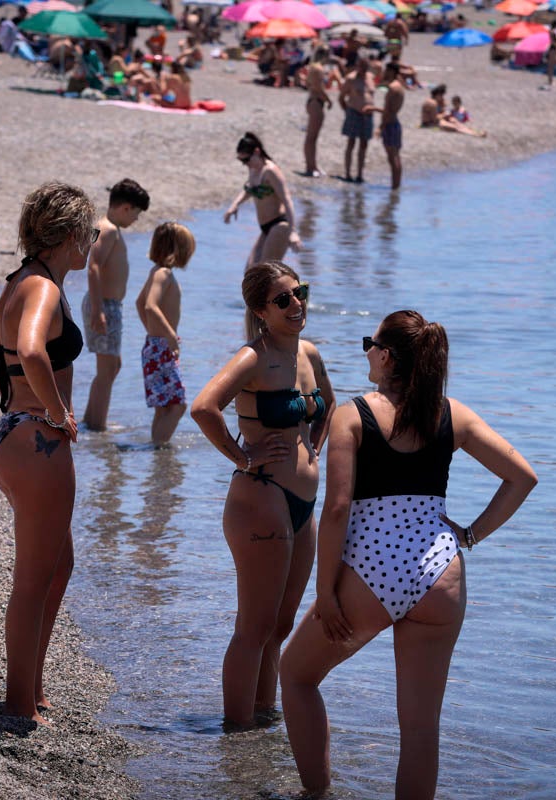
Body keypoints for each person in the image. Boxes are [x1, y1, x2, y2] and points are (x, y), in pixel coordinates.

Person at [278, 309, 537, 799]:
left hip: (370, 572)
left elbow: (335, 511)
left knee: (296, 675)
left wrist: (326, 593)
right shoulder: (451, 413)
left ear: (387, 356)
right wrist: (472, 534)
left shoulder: (353, 414)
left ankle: (317, 794)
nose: (366, 354)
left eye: (369, 344)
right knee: (420, 730)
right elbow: (522, 477)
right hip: (441, 574)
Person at [191, 261, 336, 729]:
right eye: (283, 299)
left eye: (300, 293)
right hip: (261, 498)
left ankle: (262, 716)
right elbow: (203, 408)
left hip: (302, 507)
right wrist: (242, 457)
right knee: (253, 628)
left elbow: (329, 404)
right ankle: (236, 733)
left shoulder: (309, 354)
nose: (297, 305)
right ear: (260, 310)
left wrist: (315, 444)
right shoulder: (252, 357)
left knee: (280, 626)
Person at [0, 182, 95, 723]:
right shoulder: (43, 289)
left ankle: (31, 686)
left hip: (14, 436)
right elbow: (28, 350)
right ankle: (18, 702)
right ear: (71, 236)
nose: (92, 243)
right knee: (33, 581)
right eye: (89, 234)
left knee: (58, 566)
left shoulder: (21, 280)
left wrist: (16, 405)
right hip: (37, 442)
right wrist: (54, 413)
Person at [81, 179, 151, 432]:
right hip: (104, 305)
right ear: (125, 208)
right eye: (136, 214)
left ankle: (92, 419)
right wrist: (98, 309)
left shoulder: (112, 230)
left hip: (110, 305)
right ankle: (96, 427)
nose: (136, 220)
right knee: (107, 367)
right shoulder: (107, 229)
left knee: (113, 365)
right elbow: (94, 266)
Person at [134, 222, 196, 446]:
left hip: (154, 343)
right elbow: (150, 306)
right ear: (178, 250)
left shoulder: (156, 271)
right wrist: (169, 336)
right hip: (161, 346)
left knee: (163, 407)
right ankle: (158, 450)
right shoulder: (164, 274)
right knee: (178, 406)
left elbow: (139, 303)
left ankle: (157, 455)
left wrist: (152, 331)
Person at [225, 133, 303, 269]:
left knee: (264, 274)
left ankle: (299, 289)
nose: (245, 164)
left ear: (257, 151)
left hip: (279, 225)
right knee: (250, 272)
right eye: (241, 161)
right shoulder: (254, 169)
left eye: (247, 160)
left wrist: (293, 231)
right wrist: (235, 205)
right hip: (265, 228)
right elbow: (250, 189)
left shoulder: (270, 171)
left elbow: (287, 200)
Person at [302, 46, 338, 178]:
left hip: (315, 101)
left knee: (313, 137)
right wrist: (329, 100)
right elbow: (318, 87)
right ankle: (310, 166)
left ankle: (313, 165)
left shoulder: (313, 67)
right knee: (311, 137)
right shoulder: (317, 68)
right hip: (316, 102)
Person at [339, 58, 376, 184]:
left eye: (366, 66)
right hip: (354, 112)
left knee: (364, 144)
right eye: (362, 66)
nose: (364, 69)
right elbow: (342, 97)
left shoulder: (370, 77)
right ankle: (348, 173)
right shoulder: (351, 79)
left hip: (368, 115)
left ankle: (360, 173)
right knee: (351, 142)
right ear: (358, 66)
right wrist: (348, 110)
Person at [378, 61, 405, 191]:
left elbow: (388, 111)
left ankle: (395, 186)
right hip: (395, 122)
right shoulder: (399, 86)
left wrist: (381, 127)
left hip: (390, 124)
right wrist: (374, 109)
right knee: (396, 156)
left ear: (392, 72)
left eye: (387, 70)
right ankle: (396, 185)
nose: (385, 73)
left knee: (392, 156)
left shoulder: (392, 88)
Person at [421, 84, 486, 137]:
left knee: (454, 121)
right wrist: (444, 114)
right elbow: (434, 119)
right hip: (430, 123)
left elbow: (440, 113)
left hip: (438, 120)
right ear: (437, 95)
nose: (443, 97)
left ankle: (473, 131)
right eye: (442, 95)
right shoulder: (432, 103)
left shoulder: (438, 101)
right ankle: (475, 134)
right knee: (455, 127)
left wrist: (443, 107)